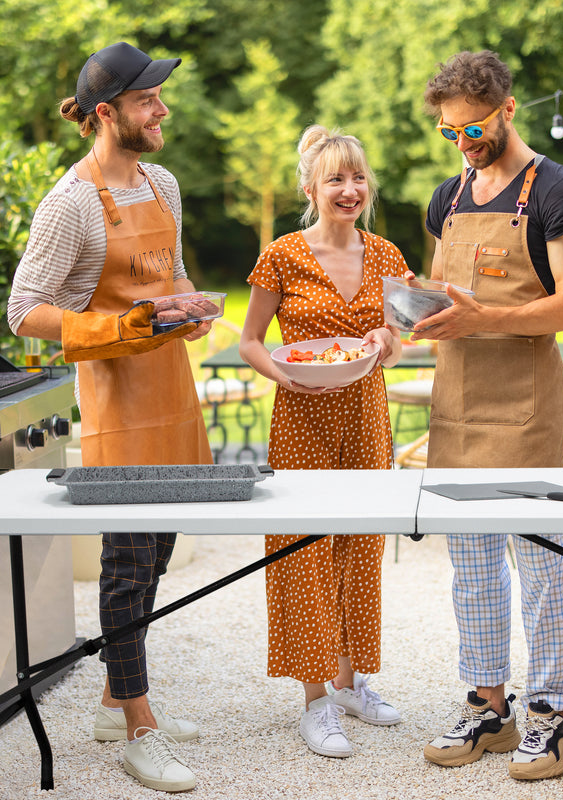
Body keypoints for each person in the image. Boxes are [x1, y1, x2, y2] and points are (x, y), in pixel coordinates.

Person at [7, 42, 213, 793]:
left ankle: (109, 701)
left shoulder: (162, 182)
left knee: (155, 557)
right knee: (126, 569)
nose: (163, 110)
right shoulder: (69, 202)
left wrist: (190, 309)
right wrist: (120, 329)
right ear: (107, 112)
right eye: (149, 99)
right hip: (117, 408)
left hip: (175, 399)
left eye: (161, 97)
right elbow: (24, 309)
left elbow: (174, 272)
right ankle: (140, 729)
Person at [415, 50, 563, 781]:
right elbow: (441, 297)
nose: (464, 142)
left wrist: (480, 316)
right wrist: (413, 313)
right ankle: (489, 707)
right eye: (450, 131)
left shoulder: (561, 192)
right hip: (457, 404)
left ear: (509, 108)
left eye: (476, 128)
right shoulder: (446, 198)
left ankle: (552, 717)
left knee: (542, 563)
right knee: (471, 565)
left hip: (524, 407)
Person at [239, 124, 405, 759]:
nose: (350, 188)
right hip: (301, 413)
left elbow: (397, 334)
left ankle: (350, 680)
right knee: (305, 544)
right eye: (336, 178)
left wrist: (385, 343)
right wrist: (280, 371)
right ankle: (314, 700)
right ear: (310, 186)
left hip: (366, 409)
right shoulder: (281, 254)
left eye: (358, 176)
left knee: (361, 541)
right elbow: (253, 339)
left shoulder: (386, 255)